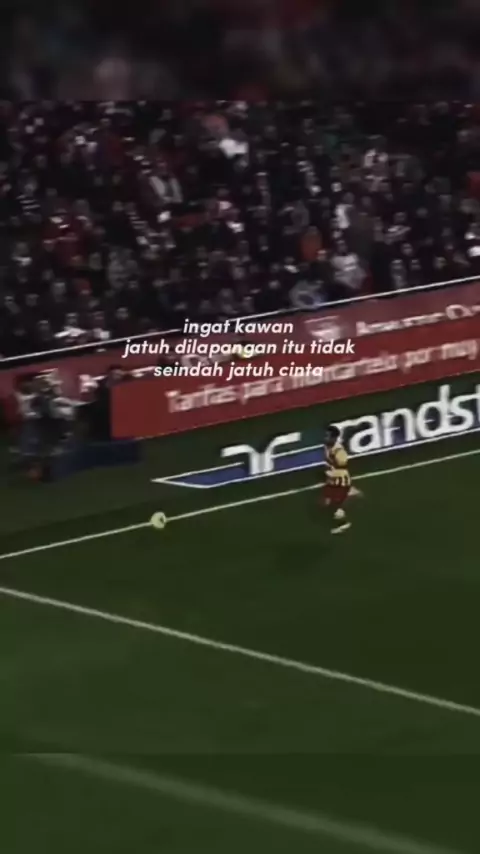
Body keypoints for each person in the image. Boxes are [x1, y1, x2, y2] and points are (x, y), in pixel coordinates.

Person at [323, 424, 354, 534]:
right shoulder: (326, 447)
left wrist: (331, 473)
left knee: (334, 504)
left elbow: (343, 467)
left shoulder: (339, 451)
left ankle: (343, 523)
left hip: (341, 481)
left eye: (327, 436)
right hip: (332, 480)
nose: (325, 438)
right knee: (326, 502)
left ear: (334, 438)